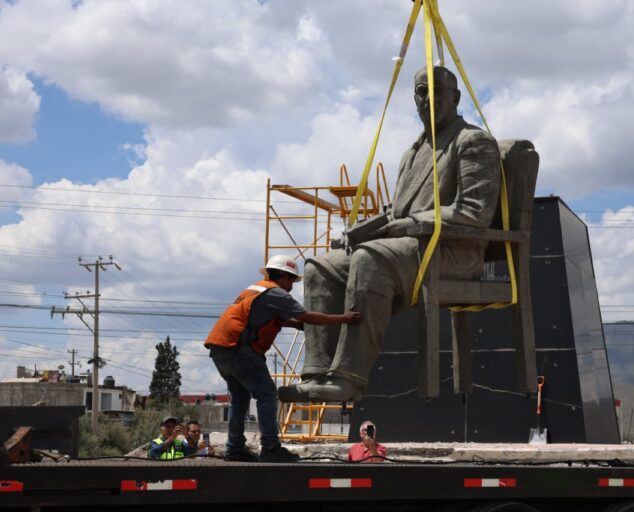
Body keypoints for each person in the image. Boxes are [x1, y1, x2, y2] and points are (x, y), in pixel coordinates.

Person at [278, 65, 501, 403]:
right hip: (412, 248)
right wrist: (358, 232)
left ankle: (348, 377)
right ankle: (317, 371)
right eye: (421, 91)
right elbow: (393, 213)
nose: (428, 98)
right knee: (319, 267)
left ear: (455, 97)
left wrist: (411, 224)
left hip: (453, 251)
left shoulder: (473, 141)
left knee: (370, 258)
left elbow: (475, 210)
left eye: (437, 90)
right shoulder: (412, 152)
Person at [205, 254, 362, 462]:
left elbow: (260, 317)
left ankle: (234, 448)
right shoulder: (276, 293)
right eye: (292, 281)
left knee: (240, 398)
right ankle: (270, 448)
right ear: (284, 277)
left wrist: (292, 324)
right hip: (239, 350)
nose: (291, 286)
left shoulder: (255, 289)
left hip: (221, 348)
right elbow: (307, 316)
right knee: (267, 393)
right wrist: (344, 319)